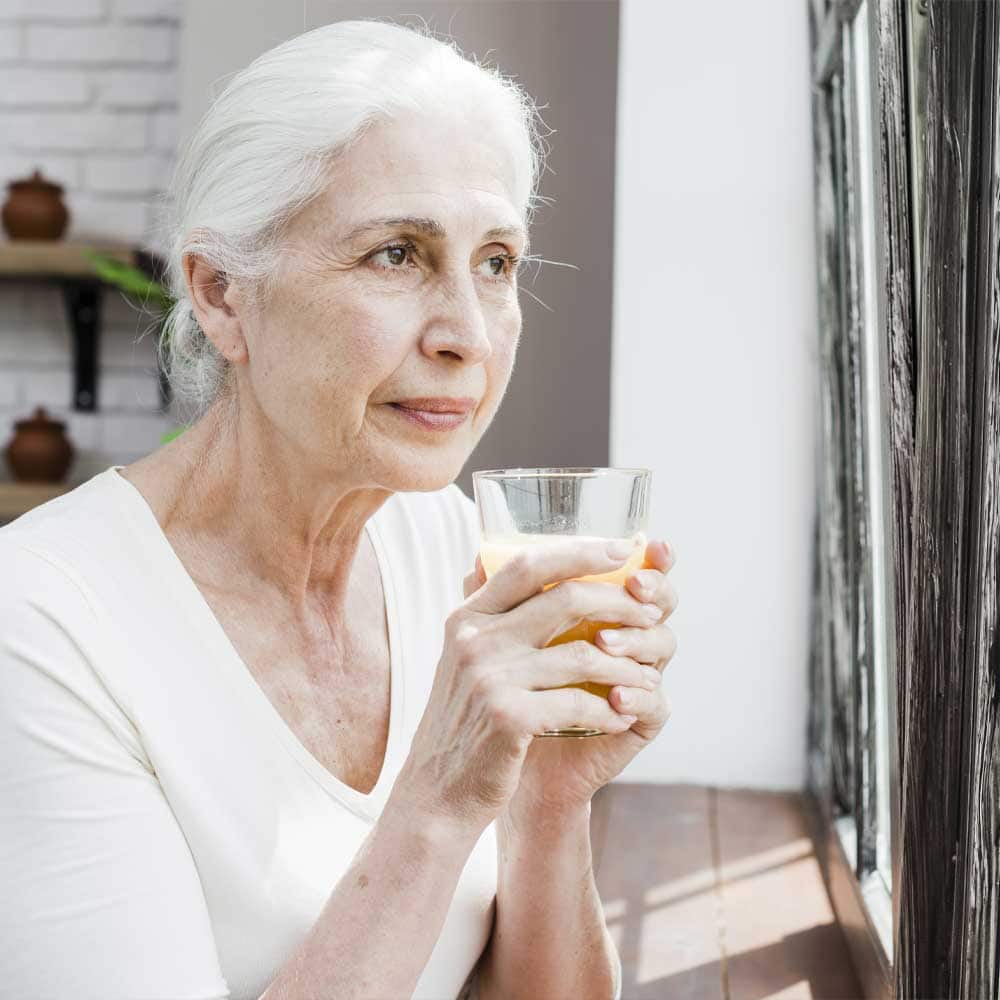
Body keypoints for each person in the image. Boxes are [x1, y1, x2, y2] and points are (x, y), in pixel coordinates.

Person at [0, 19, 678, 1000]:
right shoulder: (42, 622)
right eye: (396, 254)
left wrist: (547, 795)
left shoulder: (450, 543)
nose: (466, 334)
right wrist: (438, 802)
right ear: (223, 295)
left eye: (495, 262)